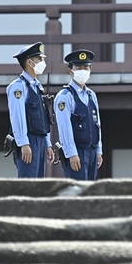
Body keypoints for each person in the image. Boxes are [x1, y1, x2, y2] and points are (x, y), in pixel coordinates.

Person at [7, 42, 55, 178]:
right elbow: (18, 116)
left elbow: (43, 117)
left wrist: (47, 143)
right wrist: (23, 143)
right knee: (28, 183)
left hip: (39, 138)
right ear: (29, 62)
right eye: (39, 59)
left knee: (39, 185)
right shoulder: (18, 87)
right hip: (28, 139)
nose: (42, 62)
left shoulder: (37, 86)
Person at [54, 49, 104, 181]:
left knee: (89, 192)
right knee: (77, 191)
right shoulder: (65, 96)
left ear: (90, 69)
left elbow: (97, 124)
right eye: (78, 67)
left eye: (86, 67)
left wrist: (99, 150)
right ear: (70, 69)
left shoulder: (92, 95)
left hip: (92, 150)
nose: (83, 70)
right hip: (77, 151)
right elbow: (65, 128)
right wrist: (71, 154)